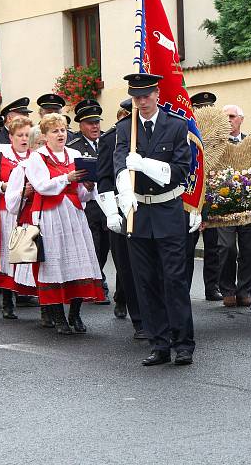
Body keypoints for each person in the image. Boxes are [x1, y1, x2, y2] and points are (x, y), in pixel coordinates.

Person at [114, 73, 195, 366]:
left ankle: (183, 343)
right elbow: (118, 166)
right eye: (137, 97)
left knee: (174, 280)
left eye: (146, 95)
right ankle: (159, 343)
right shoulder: (126, 129)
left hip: (167, 211)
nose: (142, 101)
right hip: (138, 215)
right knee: (145, 282)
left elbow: (179, 172)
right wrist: (124, 193)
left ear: (157, 95)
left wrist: (145, 164)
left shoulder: (175, 126)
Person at [6, 113, 105, 333]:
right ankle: (58, 317)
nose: (60, 134)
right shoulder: (36, 158)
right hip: (49, 215)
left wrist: (87, 187)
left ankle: (75, 314)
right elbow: (41, 186)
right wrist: (66, 179)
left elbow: (81, 194)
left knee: (80, 263)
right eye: (55, 131)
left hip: (74, 214)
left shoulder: (75, 154)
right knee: (54, 266)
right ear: (45, 135)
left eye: (62, 130)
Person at [0, 116, 38, 319]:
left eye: (27, 135)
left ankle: (31, 296)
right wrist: (6, 186)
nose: (23, 139)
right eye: (19, 135)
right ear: (10, 137)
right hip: (6, 212)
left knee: (29, 256)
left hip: (30, 212)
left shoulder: (36, 156)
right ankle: (7, 300)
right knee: (7, 256)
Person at [96, 98, 145, 337]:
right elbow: (104, 177)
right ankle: (139, 320)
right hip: (123, 211)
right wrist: (111, 212)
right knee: (127, 267)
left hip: (151, 208)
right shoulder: (111, 138)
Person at [67, 99, 112, 304]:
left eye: (97, 122)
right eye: (90, 123)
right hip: (89, 205)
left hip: (108, 202)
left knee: (106, 246)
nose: (95, 127)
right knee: (93, 245)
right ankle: (97, 280)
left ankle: (99, 273)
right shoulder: (74, 147)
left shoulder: (108, 141)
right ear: (81, 125)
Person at [217, 104, 251, 307]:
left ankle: (244, 290)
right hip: (223, 206)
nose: (229, 120)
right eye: (226, 117)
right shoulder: (216, 146)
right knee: (227, 247)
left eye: (232, 116)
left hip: (248, 205)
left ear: (241, 119)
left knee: (249, 249)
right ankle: (227, 289)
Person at [187, 91, 221, 300]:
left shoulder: (218, 137)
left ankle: (212, 287)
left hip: (213, 198)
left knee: (213, 247)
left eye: (208, 108)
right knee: (187, 248)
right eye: (200, 109)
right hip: (192, 198)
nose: (204, 112)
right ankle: (185, 288)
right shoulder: (189, 133)